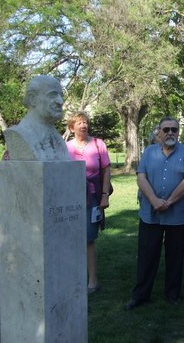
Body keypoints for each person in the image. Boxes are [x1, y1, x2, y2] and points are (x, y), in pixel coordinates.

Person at [125, 117, 184, 310]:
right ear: (159, 132)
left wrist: (169, 202)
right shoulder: (148, 152)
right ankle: (141, 295)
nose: (170, 132)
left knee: (175, 256)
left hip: (178, 215)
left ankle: (172, 294)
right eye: (166, 129)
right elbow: (141, 178)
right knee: (147, 256)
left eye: (174, 129)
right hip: (151, 214)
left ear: (178, 131)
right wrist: (155, 201)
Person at [66, 111, 111, 294]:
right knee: (69, 238)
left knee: (88, 238)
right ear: (71, 127)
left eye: (85, 122)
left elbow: (106, 171)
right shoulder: (65, 147)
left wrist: (104, 195)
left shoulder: (98, 144)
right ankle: (71, 276)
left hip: (92, 197)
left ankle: (93, 280)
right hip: (69, 196)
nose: (83, 125)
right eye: (79, 123)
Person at [4, 75, 70, 161]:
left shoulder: (58, 138)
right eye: (52, 95)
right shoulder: (20, 134)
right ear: (33, 99)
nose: (60, 101)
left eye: (61, 96)